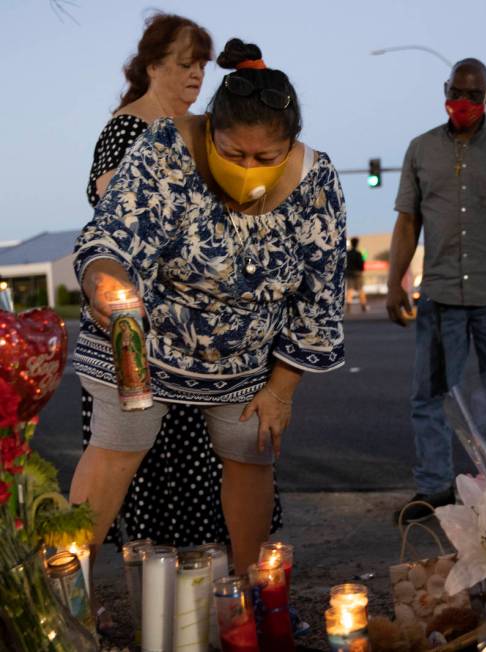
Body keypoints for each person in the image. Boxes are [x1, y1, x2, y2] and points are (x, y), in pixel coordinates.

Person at [70, 38, 346, 576]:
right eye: (232, 153)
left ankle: (248, 591)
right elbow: (114, 236)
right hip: (146, 342)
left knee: (251, 452)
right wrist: (107, 285)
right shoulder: (162, 150)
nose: (248, 168)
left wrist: (281, 389)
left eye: (265, 158)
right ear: (208, 131)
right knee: (115, 451)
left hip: (244, 355)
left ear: (290, 146)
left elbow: (320, 297)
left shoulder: (317, 180)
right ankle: (67, 593)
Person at [386, 58, 486, 522]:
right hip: (440, 297)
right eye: (457, 92)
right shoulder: (421, 150)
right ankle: (435, 490)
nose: (464, 102)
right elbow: (407, 222)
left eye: (474, 96)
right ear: (446, 89)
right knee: (429, 397)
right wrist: (397, 282)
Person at [346, 236, 368, 312]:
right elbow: (361, 265)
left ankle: (348, 307)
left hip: (349, 273)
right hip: (358, 274)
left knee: (350, 290)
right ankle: (363, 306)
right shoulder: (358, 254)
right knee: (360, 290)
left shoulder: (348, 254)